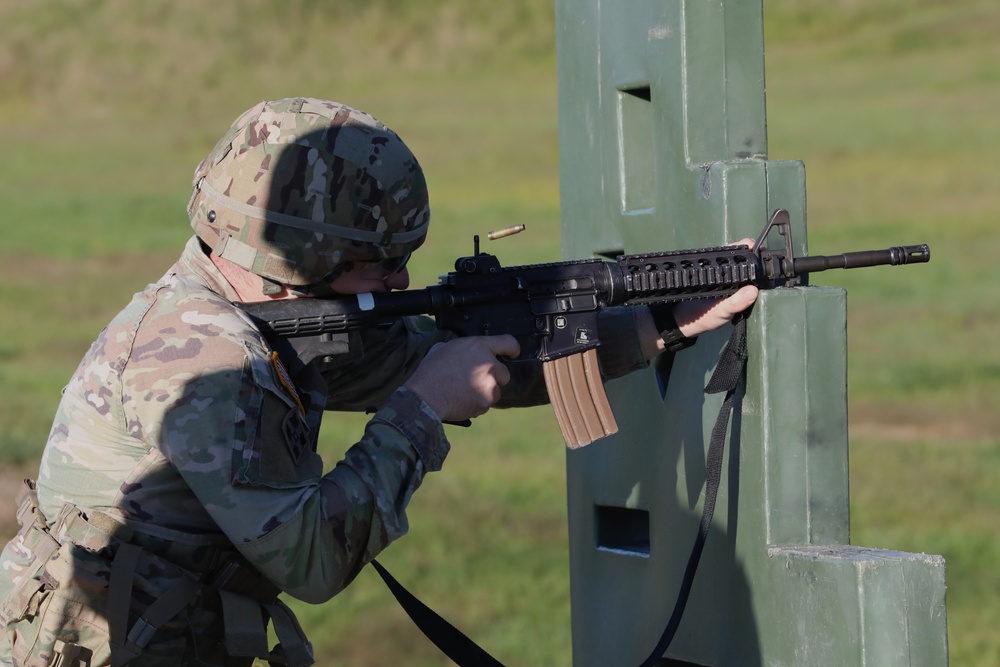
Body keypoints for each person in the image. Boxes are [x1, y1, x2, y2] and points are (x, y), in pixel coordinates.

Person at [0, 98, 757, 667]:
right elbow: (313, 561)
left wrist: (657, 324)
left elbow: (445, 352)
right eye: (382, 260)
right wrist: (422, 410)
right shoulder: (200, 355)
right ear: (302, 254)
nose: (400, 280)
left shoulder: (270, 313)